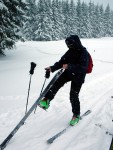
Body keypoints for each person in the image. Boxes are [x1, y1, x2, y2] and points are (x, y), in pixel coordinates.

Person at [39, 35, 89, 126]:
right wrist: (52, 68)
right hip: (69, 72)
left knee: (73, 95)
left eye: (70, 44)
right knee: (56, 83)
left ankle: (76, 115)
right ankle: (47, 100)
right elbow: (62, 62)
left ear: (76, 43)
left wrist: (70, 66)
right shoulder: (70, 52)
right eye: (68, 44)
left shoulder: (84, 52)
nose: (69, 46)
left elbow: (83, 68)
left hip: (79, 76)